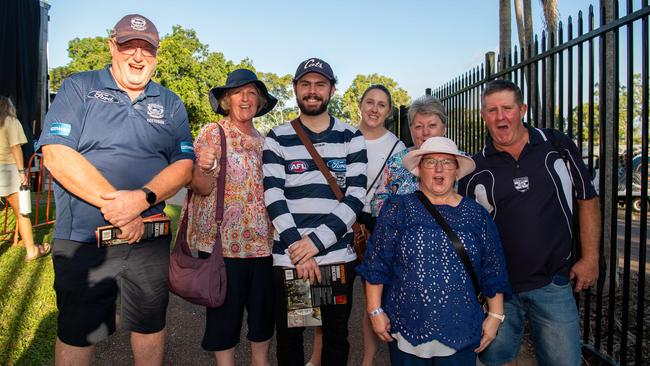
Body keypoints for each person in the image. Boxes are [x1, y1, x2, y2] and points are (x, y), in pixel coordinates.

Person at [38, 14, 194, 365]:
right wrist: (121, 210)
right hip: (84, 238)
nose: (138, 57)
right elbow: (57, 155)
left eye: (147, 49)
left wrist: (140, 201)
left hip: (148, 239)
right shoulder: (79, 87)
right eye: (129, 46)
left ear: (157, 54)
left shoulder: (170, 103)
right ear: (112, 46)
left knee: (150, 324)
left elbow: (184, 166)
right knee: (79, 330)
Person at [458, 79, 601, 366]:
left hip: (553, 283)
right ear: (484, 116)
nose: (500, 116)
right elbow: (464, 230)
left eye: (507, 108)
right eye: (492, 110)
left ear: (522, 109)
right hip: (501, 291)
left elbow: (587, 199)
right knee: (490, 358)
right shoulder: (475, 168)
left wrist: (591, 258)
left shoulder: (555, 145)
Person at [358, 136, 511, 365]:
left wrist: (495, 316)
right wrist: (374, 310)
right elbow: (377, 264)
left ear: (457, 170)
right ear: (418, 169)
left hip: (461, 328)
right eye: (430, 162)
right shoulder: (398, 208)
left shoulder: (477, 215)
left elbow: (493, 270)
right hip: (406, 326)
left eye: (447, 162)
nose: (439, 168)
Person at [263, 57, 367, 365]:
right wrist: (300, 248)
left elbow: (356, 195)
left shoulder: (351, 136)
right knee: (292, 338)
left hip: (335, 259)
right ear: (295, 89)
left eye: (320, 84)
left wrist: (315, 244)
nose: (312, 91)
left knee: (336, 338)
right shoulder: (277, 136)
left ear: (332, 90)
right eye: (305, 84)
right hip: (291, 258)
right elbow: (273, 194)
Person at [307, 84, 406, 366]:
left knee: (370, 300)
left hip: (376, 230)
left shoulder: (396, 147)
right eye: (370, 102)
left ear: (388, 111)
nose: (375, 109)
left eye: (382, 105)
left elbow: (398, 193)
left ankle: (368, 358)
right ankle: (317, 355)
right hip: (339, 227)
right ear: (360, 104)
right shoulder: (342, 137)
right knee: (325, 295)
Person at [187, 68, 277, 366]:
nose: (246, 98)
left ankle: (259, 363)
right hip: (223, 245)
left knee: (263, 314)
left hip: (263, 245)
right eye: (239, 92)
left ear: (260, 102)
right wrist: (203, 166)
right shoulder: (213, 132)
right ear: (227, 99)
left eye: (253, 93)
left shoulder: (264, 141)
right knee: (225, 315)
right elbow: (198, 184)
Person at [370, 95, 447, 217]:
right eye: (418, 127)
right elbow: (377, 204)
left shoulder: (460, 162)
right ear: (411, 130)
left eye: (432, 125)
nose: (425, 132)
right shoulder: (396, 163)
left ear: (444, 128)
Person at [0, 96, 50, 260]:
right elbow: (16, 148)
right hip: (9, 171)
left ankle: (20, 240)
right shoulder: (11, 121)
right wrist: (22, 172)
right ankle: (32, 250)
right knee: (22, 212)